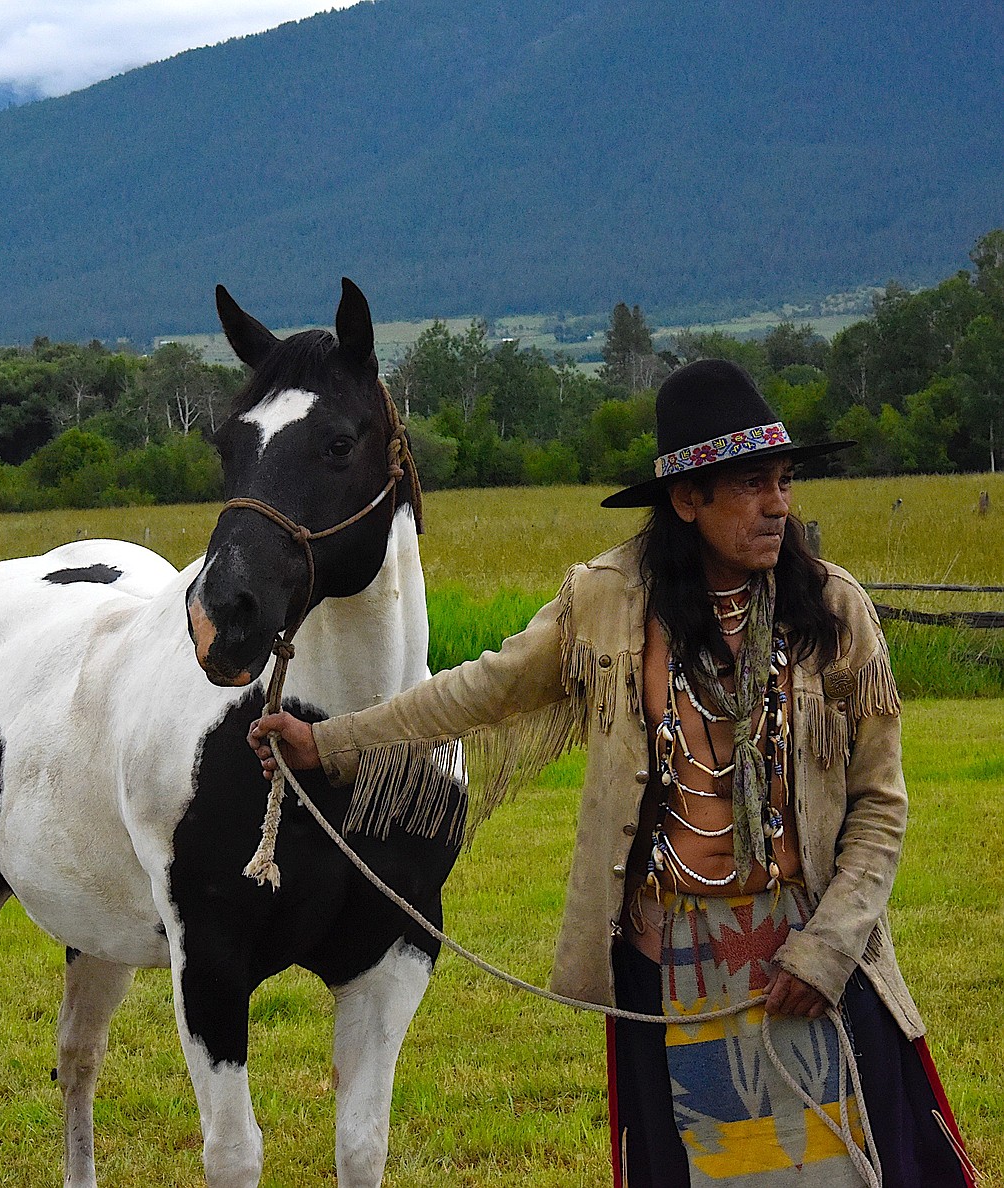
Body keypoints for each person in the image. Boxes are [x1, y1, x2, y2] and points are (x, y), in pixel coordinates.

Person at [248, 360, 974, 1187]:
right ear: (686, 499)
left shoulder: (836, 612)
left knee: (851, 1168)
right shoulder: (605, 604)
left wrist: (832, 947)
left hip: (809, 959)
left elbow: (880, 805)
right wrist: (331, 742)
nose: (779, 505)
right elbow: (477, 690)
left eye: (783, 482)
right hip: (668, 962)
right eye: (751, 485)